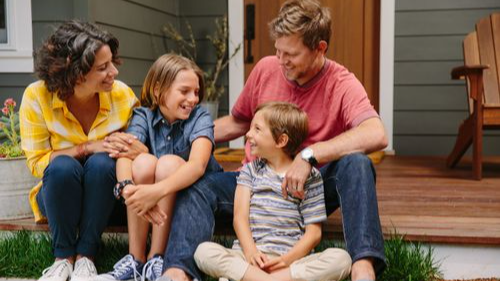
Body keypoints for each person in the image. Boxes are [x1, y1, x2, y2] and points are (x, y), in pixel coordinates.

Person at [159, 0, 388, 280]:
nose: (281, 61)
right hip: (253, 185)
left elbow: (376, 133)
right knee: (197, 185)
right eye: (277, 51)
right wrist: (175, 139)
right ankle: (176, 270)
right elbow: (238, 122)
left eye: (290, 54)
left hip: (306, 192)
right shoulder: (267, 68)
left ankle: (363, 266)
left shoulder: (341, 83)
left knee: (357, 164)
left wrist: (309, 156)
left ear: (320, 49)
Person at [19, 20, 142, 281]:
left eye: (112, 63)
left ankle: (86, 257)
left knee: (102, 163)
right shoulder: (37, 97)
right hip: (59, 193)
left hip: (105, 193)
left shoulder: (123, 96)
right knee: (63, 166)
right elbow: (37, 162)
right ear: (75, 73)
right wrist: (85, 147)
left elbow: (140, 151)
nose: (114, 73)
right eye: (102, 68)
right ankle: (62, 258)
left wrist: (127, 147)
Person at [97, 53, 222, 281]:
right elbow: (125, 154)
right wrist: (128, 189)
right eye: (184, 91)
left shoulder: (200, 117)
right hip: (153, 197)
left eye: (196, 92)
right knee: (143, 162)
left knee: (168, 163)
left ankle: (158, 257)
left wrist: (155, 191)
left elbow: (197, 166)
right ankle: (136, 260)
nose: (193, 99)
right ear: (158, 90)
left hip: (192, 196)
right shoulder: (143, 116)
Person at [194, 102, 352, 281]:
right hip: (249, 258)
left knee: (341, 259)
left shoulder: (310, 177)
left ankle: (257, 278)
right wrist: (251, 252)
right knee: (203, 252)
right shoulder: (250, 171)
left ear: (281, 141)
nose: (248, 134)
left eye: (257, 129)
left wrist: (286, 261)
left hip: (290, 262)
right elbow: (239, 218)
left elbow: (314, 234)